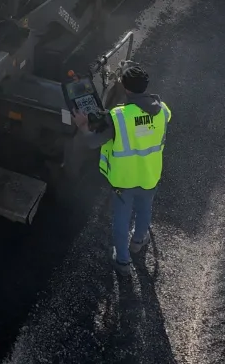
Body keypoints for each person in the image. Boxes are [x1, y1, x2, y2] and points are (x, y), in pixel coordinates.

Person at [72, 62, 172, 271]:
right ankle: (138, 242)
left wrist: (82, 125)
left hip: (123, 180)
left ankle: (123, 261)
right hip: (150, 175)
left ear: (126, 89)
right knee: (145, 209)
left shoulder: (117, 117)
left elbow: (92, 142)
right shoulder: (163, 110)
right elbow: (149, 121)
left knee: (121, 217)